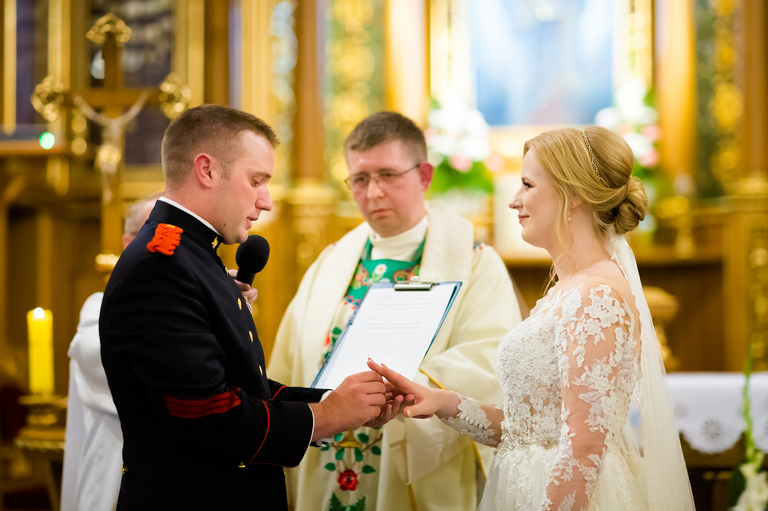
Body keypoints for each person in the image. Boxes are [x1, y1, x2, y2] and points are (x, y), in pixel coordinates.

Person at [368, 126, 695, 510]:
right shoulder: (567, 291)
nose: (513, 200)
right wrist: (441, 401)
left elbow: (584, 446)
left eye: (527, 184)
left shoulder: (596, 297)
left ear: (574, 194)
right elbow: (524, 431)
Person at [99, 104, 395, 511]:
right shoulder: (161, 267)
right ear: (207, 170)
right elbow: (209, 415)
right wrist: (328, 415)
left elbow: (241, 387)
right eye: (256, 180)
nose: (267, 201)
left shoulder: (193, 255)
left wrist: (346, 402)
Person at [268, 111, 522, 511]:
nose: (373, 192)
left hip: (409, 459)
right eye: (360, 179)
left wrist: (402, 391)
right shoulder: (329, 264)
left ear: (424, 175)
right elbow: (290, 363)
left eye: (387, 175)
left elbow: (489, 359)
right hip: (327, 458)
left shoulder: (474, 263)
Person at [61, 194, 158, 511]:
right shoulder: (99, 310)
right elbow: (139, 372)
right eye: (155, 233)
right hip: (111, 482)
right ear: (129, 242)